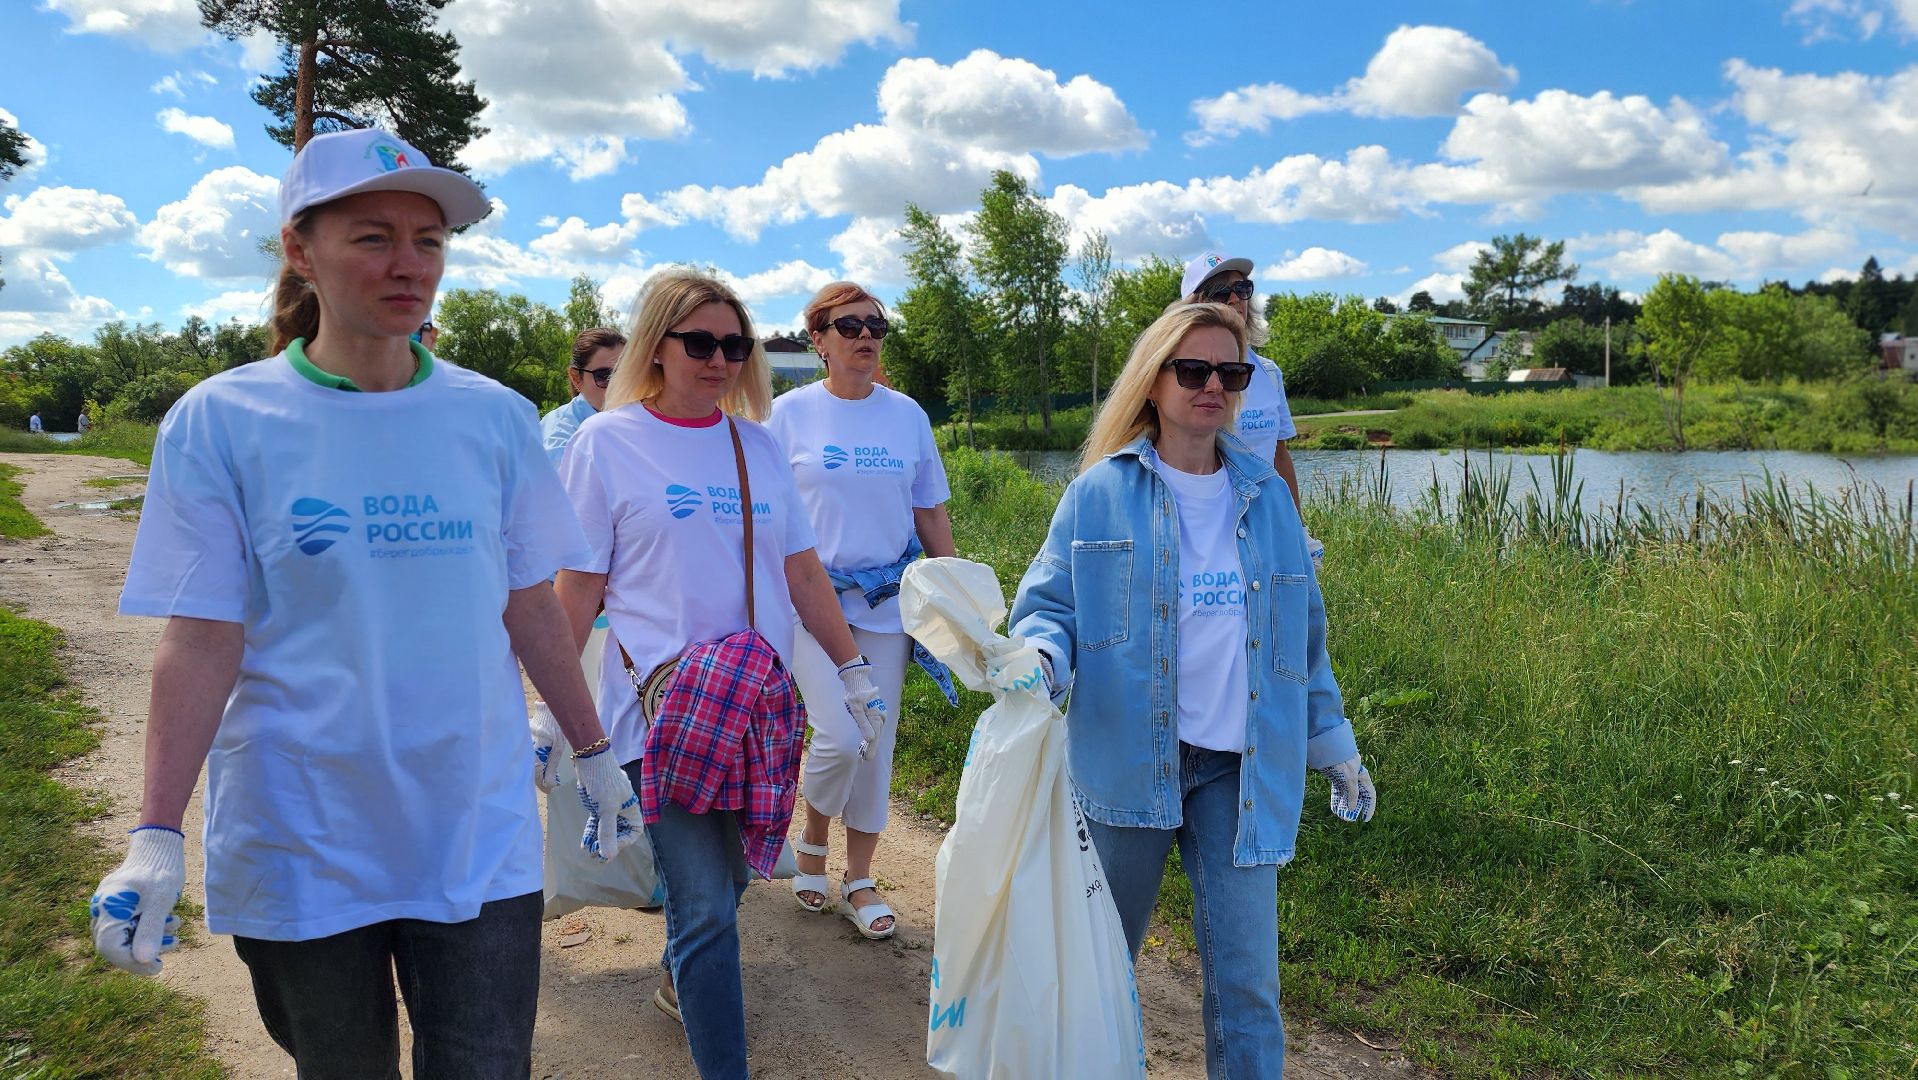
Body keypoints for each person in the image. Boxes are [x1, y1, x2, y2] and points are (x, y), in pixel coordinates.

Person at [86, 128, 641, 1080]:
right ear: (301, 250)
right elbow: (203, 638)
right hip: (304, 831)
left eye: (428, 241)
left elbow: (529, 606)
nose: (408, 264)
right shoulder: (222, 421)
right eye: (373, 236)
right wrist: (154, 833)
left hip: (474, 827)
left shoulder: (494, 418)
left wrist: (593, 750)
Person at [1009, 301, 1377, 1078]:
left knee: (1249, 989)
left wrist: (1333, 744)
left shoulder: (1267, 498)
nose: (1214, 386)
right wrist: (1042, 657)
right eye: (1195, 369)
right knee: (1100, 971)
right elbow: (1050, 607)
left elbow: (1299, 639)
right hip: (1125, 763)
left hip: (1239, 771)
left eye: (1231, 373)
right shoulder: (1098, 494)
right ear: (1155, 379)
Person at [553, 270, 888, 1080]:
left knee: (735, 879)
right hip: (660, 712)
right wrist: (554, 716)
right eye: (699, 343)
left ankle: (679, 969)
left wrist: (851, 669)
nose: (719, 359)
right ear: (656, 347)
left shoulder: (758, 445)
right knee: (703, 901)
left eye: (734, 345)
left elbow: (803, 572)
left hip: (757, 709)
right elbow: (578, 587)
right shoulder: (606, 443)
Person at [766, 281, 956, 940]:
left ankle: (862, 877)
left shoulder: (906, 416)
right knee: (841, 735)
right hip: (807, 605)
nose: (867, 335)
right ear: (818, 339)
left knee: (874, 740)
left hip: (885, 605)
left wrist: (951, 589)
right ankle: (813, 834)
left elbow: (929, 507)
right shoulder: (786, 415)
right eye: (849, 325)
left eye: (877, 324)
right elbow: (760, 514)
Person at [541, 326, 625, 464]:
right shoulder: (562, 442)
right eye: (604, 376)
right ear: (576, 378)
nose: (618, 385)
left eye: (625, 374)